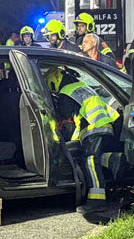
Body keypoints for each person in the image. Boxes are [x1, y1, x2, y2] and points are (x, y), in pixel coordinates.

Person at [45, 67, 120, 214]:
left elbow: (69, 117)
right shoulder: (80, 85)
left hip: (93, 127)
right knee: (97, 159)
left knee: (91, 162)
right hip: (107, 123)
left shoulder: (65, 93)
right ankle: (113, 163)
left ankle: (96, 202)